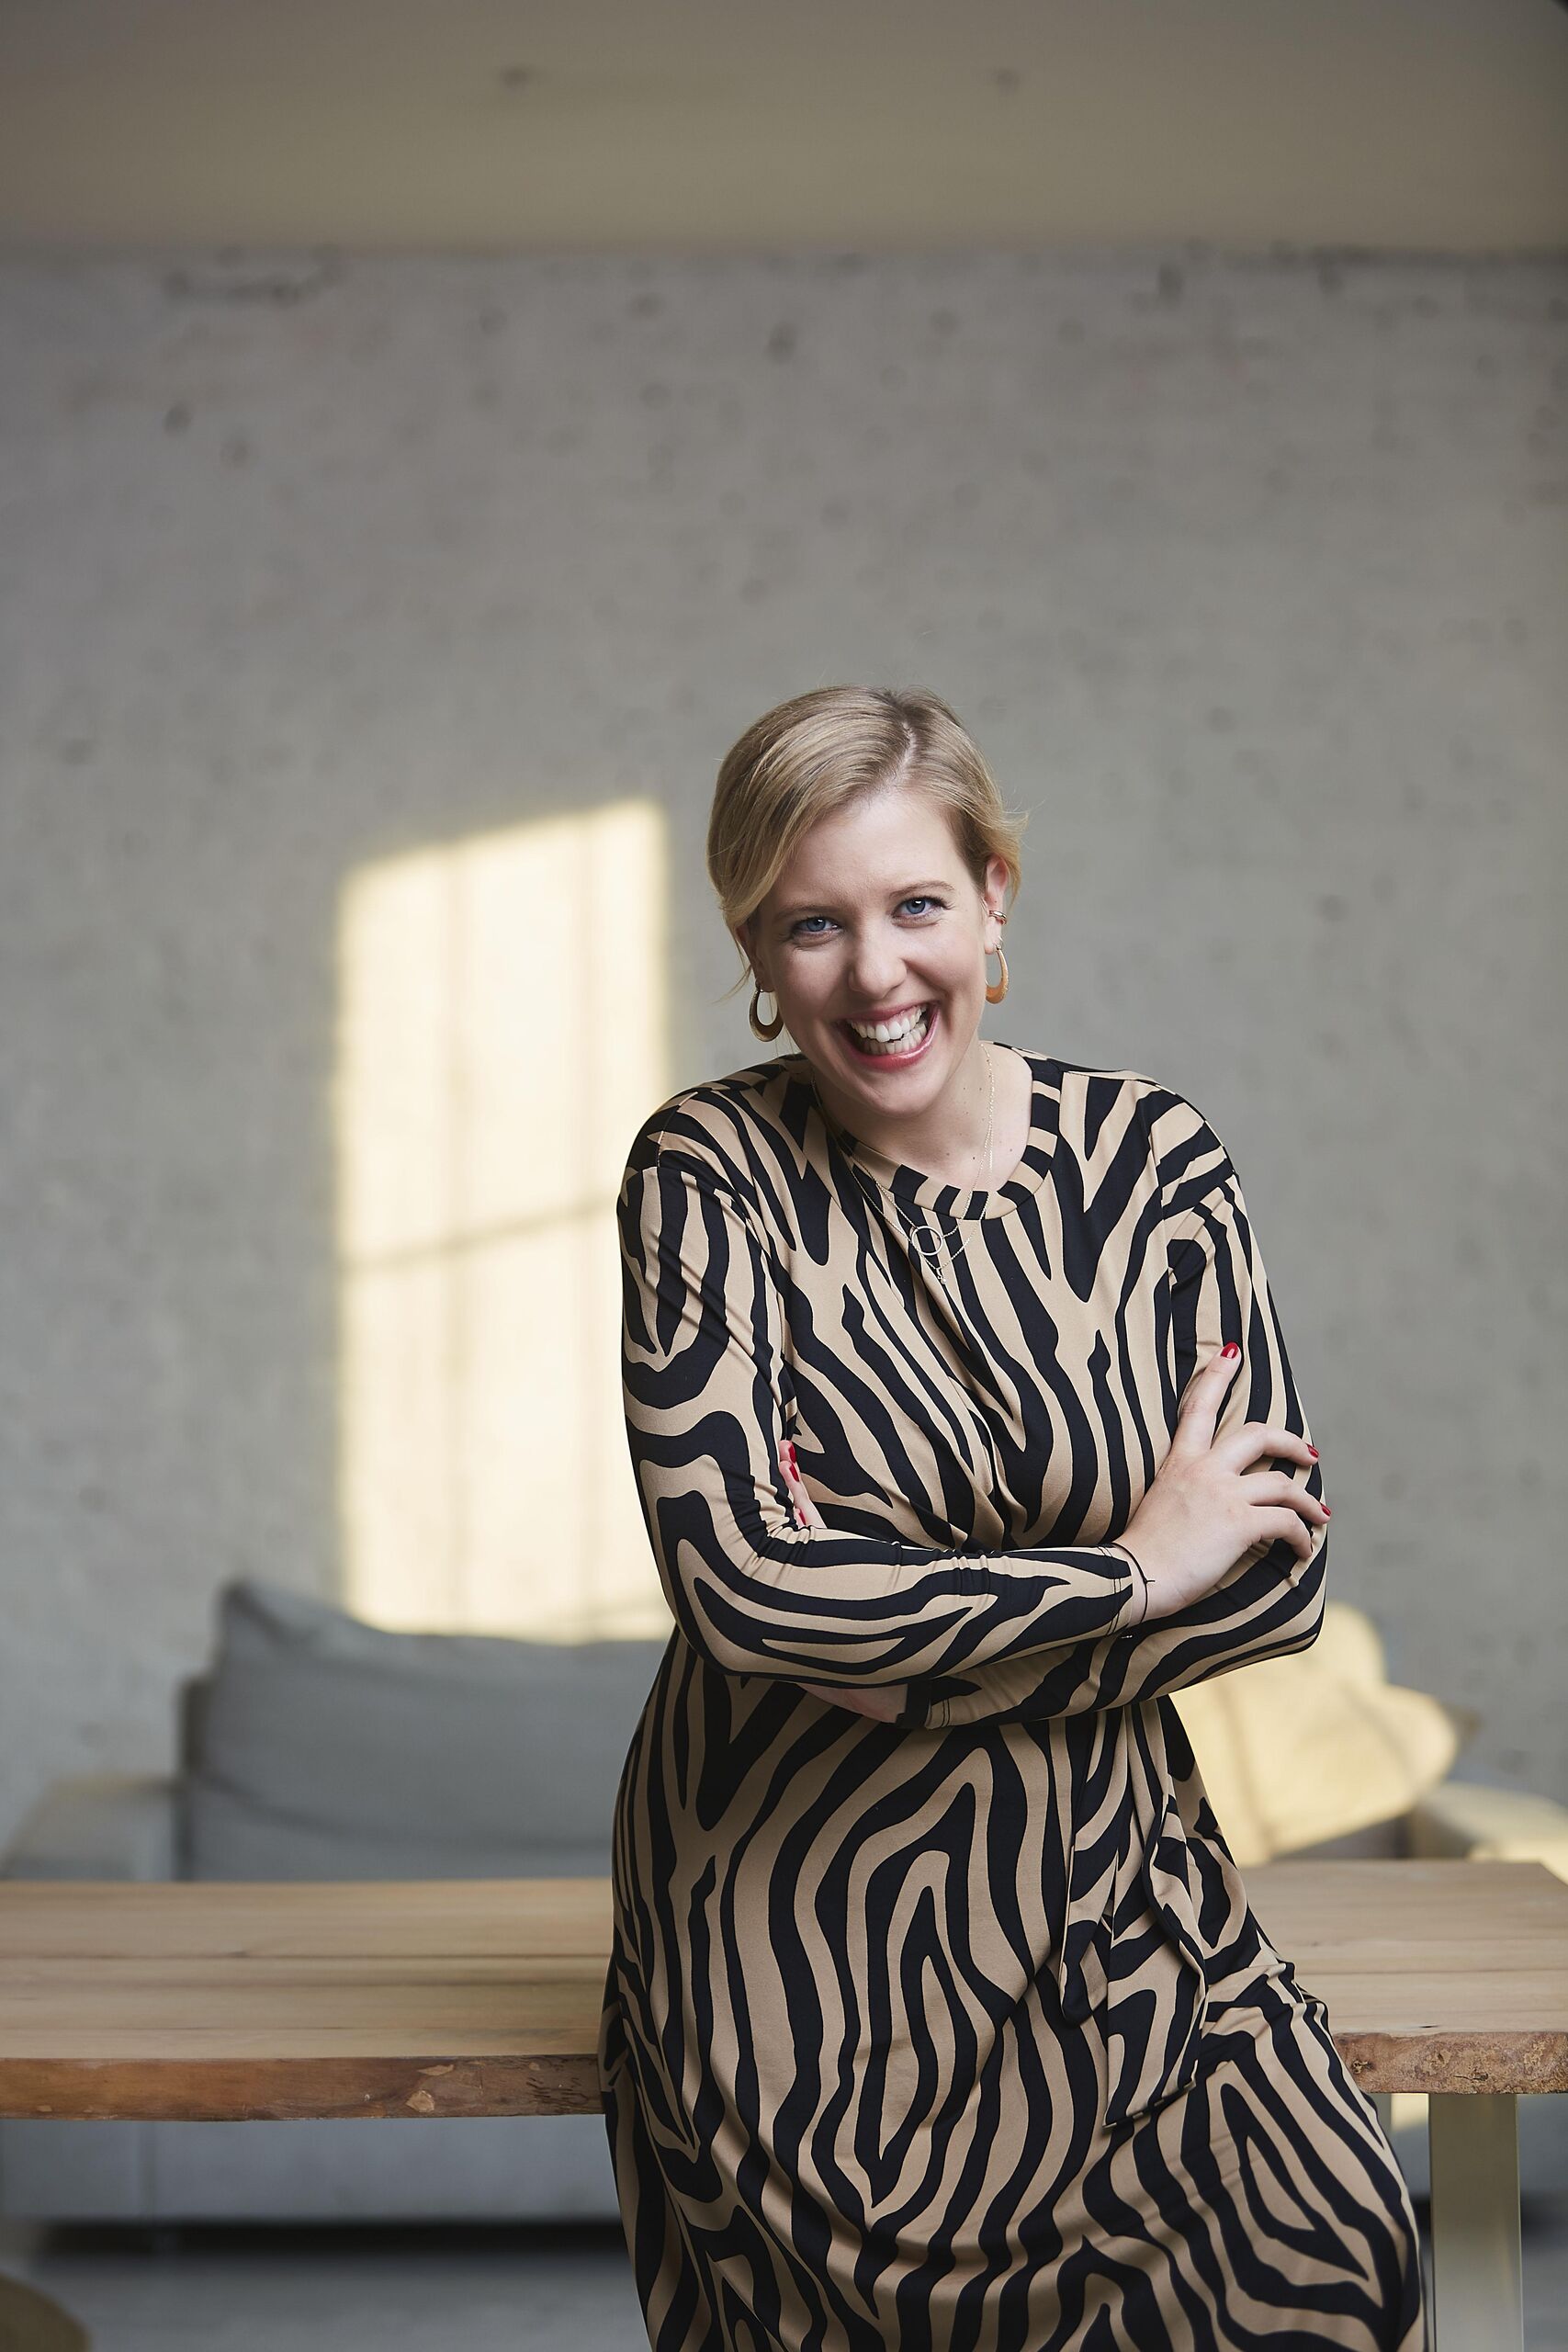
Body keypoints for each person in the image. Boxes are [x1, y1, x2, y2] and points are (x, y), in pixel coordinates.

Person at [597, 684, 1426, 2351]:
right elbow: (748, 1598)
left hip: (1124, 1900)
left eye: (915, 904)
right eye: (813, 924)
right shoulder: (706, 1174)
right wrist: (1136, 1565)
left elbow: (1274, 1585)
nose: (875, 973)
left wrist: (895, 1644)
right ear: (756, 949)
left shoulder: (1158, 1163)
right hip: (800, 1955)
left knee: (1345, 2251)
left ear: (994, 898)